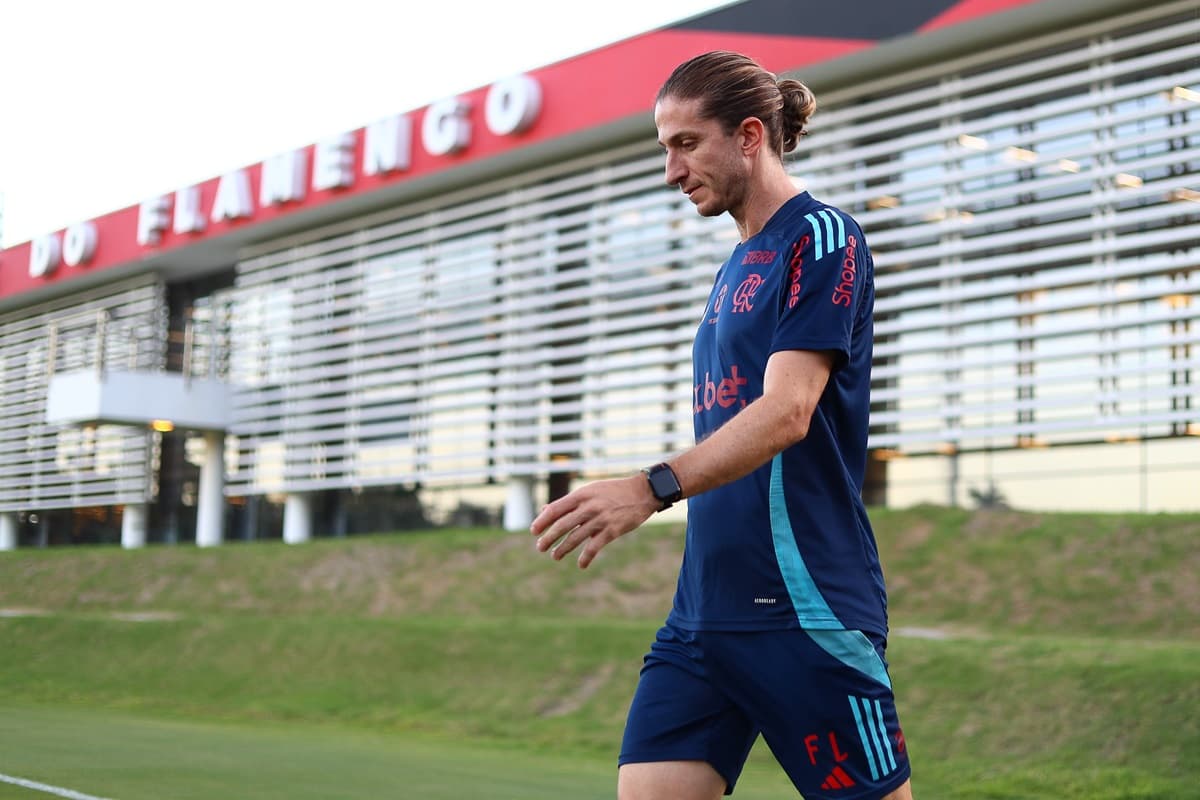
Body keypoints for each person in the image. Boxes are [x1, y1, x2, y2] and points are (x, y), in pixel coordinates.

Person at [531, 50, 912, 800]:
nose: (671, 171)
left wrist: (649, 488)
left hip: (804, 610)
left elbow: (789, 411)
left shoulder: (823, 238)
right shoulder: (737, 263)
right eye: (664, 148)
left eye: (686, 143)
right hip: (703, 617)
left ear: (748, 136)